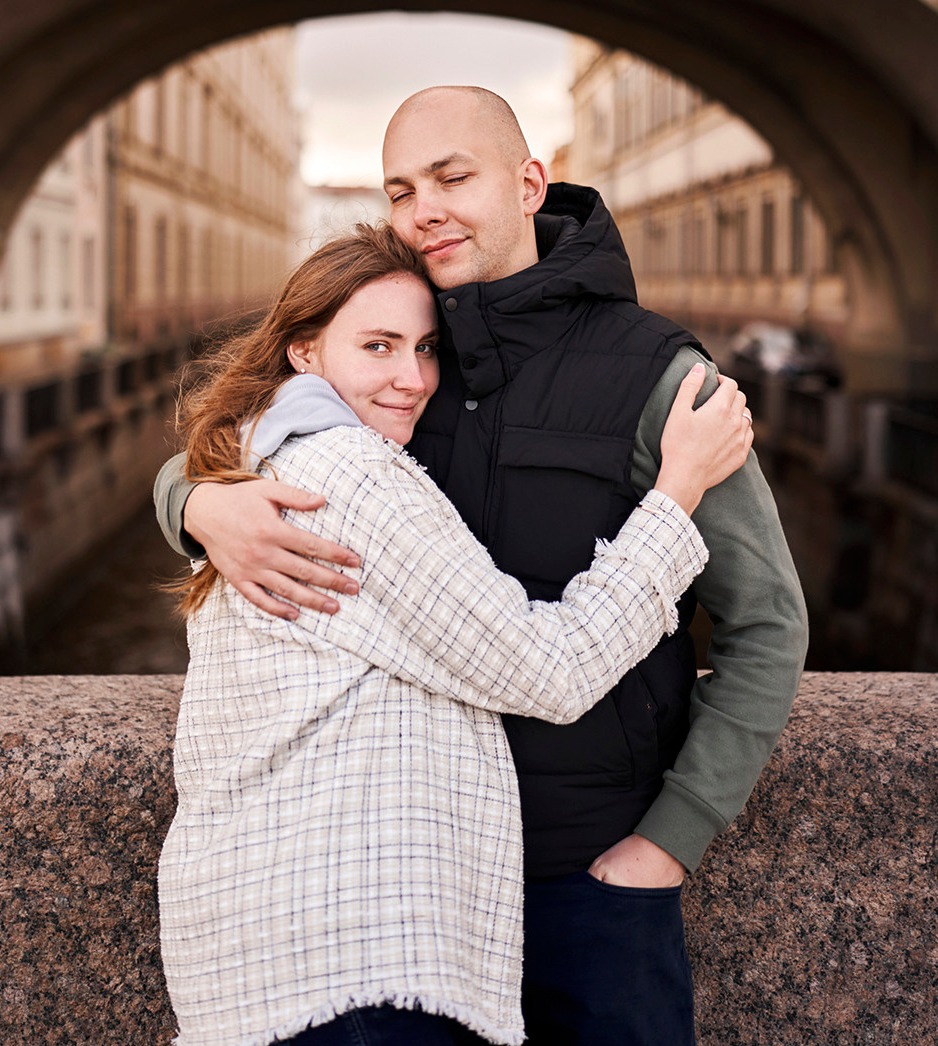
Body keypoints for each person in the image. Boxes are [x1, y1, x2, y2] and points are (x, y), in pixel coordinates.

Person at [155, 87, 809, 1046]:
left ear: (529, 182)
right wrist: (198, 503)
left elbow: (767, 623)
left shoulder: (659, 374)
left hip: (587, 873)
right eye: (401, 189)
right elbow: (250, 434)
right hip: (413, 887)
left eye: (453, 178)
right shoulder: (406, 351)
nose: (425, 209)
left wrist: (672, 840)